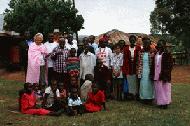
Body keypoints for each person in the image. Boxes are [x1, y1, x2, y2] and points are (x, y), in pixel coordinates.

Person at [152, 39, 173, 109]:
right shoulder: (156, 53)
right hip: (157, 73)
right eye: (158, 44)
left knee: (165, 88)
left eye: (161, 44)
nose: (159, 45)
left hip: (164, 74)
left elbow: (169, 65)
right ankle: (160, 102)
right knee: (158, 88)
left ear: (164, 45)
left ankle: (165, 103)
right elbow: (153, 64)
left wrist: (165, 73)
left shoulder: (167, 54)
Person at [122, 35, 141, 100]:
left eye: (133, 40)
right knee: (129, 81)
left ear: (135, 40)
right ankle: (131, 94)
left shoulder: (138, 48)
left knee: (136, 81)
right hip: (128, 67)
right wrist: (124, 69)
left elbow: (140, 58)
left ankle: (136, 94)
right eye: (131, 40)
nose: (132, 41)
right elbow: (124, 59)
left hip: (136, 67)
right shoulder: (126, 48)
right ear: (129, 40)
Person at [137, 37, 154, 104]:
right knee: (143, 85)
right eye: (145, 43)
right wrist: (139, 72)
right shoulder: (140, 52)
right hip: (142, 71)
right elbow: (138, 63)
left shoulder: (153, 51)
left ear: (150, 44)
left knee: (150, 85)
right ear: (143, 44)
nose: (146, 44)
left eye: (147, 43)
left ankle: (150, 98)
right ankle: (143, 98)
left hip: (150, 71)